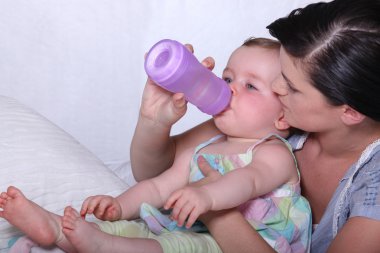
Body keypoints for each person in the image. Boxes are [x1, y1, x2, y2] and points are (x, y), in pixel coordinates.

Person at [0, 38, 311, 253]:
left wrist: (205, 194)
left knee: (180, 247)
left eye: (250, 86)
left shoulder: (272, 152)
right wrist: (119, 205)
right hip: (195, 232)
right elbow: (160, 186)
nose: (229, 90)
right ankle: (54, 229)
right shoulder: (208, 145)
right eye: (228, 78)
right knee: (127, 229)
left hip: (242, 243)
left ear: (283, 116)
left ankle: (100, 246)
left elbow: (247, 181)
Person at [131, 0, 380, 252]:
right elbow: (155, 175)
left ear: (349, 112)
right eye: (281, 73)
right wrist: (153, 121)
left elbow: (194, 193)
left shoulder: (375, 187)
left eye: (291, 86)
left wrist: (215, 208)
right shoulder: (271, 119)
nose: (276, 88)